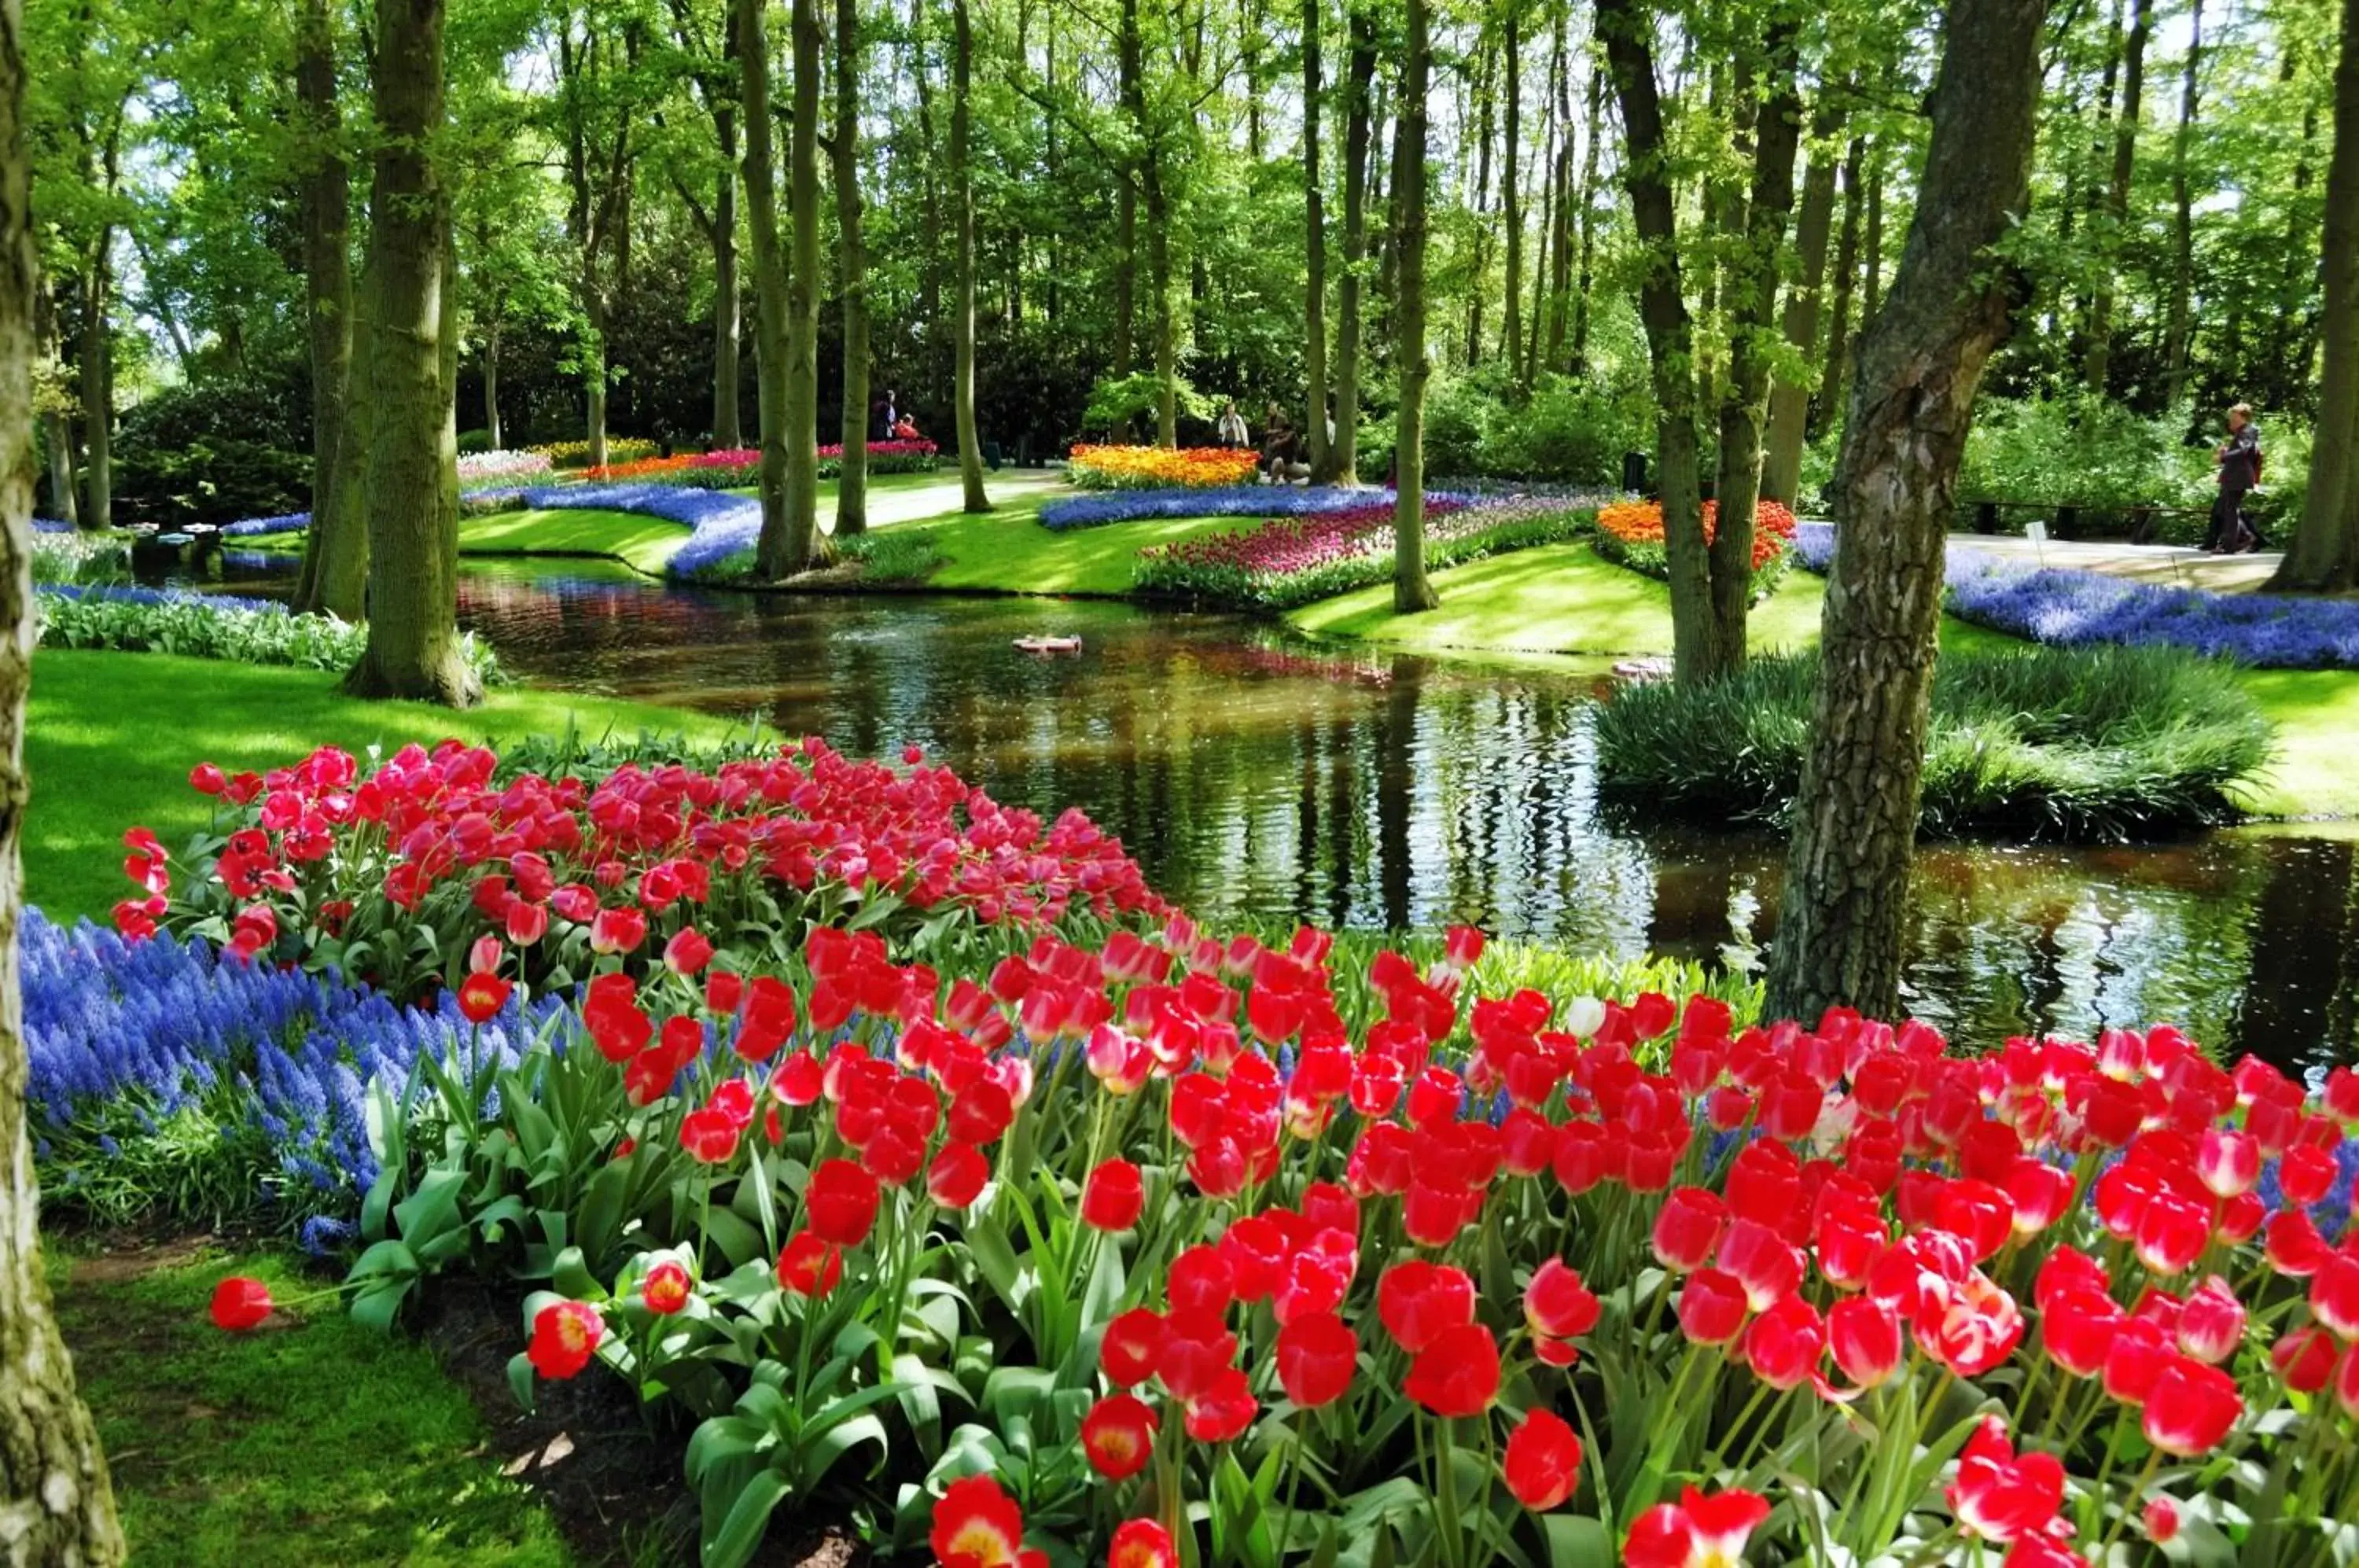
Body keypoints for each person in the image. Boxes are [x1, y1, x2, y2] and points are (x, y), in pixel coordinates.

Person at [2205, 403, 2263, 554]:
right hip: (2234, 475)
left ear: (2243, 417)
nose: (2231, 419)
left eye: (2234, 417)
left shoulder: (2249, 431)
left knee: (2230, 510)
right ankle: (2244, 538)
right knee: (2227, 509)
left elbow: (2243, 451)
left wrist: (2223, 457)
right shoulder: (2242, 432)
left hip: (2239, 475)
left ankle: (2231, 544)